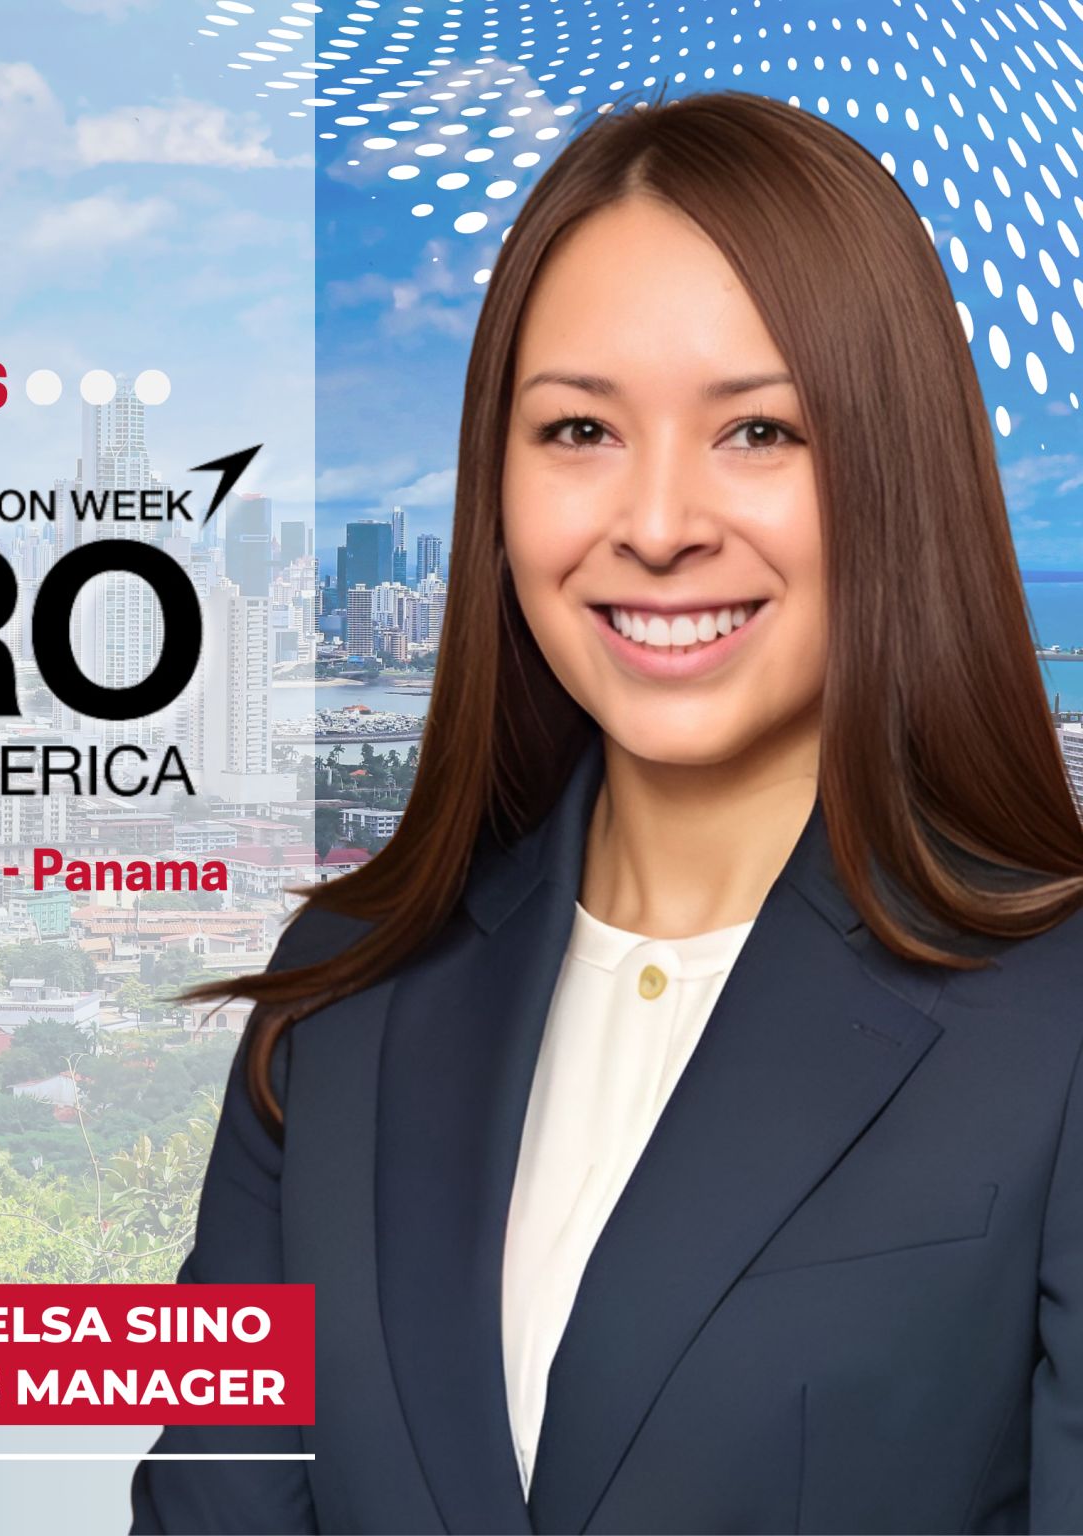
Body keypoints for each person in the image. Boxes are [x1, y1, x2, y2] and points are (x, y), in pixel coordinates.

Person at [130, 88, 1083, 1535]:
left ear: (896, 471)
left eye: (757, 431)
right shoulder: (343, 1003)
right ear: (495, 485)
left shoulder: (1056, 1021)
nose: (655, 521)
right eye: (578, 428)